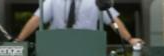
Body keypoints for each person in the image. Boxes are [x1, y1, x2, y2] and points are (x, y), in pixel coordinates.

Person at [15, 0, 143, 45]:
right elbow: (36, 20)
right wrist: (19, 40)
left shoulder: (96, 1)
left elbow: (113, 21)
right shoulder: (53, 1)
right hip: (58, 46)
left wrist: (130, 39)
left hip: (86, 47)